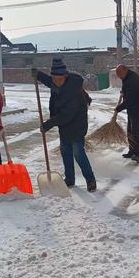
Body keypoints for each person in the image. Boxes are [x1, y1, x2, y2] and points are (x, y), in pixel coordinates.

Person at [32, 58, 97, 192]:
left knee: (78, 153)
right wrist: (38, 75)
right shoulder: (57, 82)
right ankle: (70, 179)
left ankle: (90, 180)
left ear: (65, 76)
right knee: (65, 151)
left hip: (77, 125)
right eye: (54, 78)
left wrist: (47, 125)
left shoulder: (72, 89)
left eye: (59, 79)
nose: (56, 81)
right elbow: (50, 81)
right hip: (65, 126)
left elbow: (66, 115)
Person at [115, 64, 139, 163]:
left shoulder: (132, 80)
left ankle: (138, 154)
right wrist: (124, 91)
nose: (118, 76)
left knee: (137, 132)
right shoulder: (128, 77)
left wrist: (119, 108)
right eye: (117, 74)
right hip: (132, 109)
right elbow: (128, 90)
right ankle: (132, 151)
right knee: (130, 131)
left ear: (125, 70)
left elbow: (130, 99)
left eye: (119, 74)